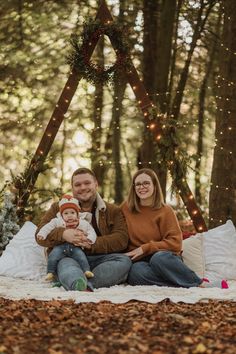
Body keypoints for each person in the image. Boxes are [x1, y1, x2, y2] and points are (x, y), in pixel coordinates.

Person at [121, 168, 228, 289]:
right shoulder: (126, 208)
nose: (142, 187)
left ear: (155, 186)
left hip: (165, 258)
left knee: (158, 259)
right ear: (134, 188)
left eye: (146, 183)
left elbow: (176, 243)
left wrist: (146, 248)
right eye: (138, 184)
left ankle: (200, 283)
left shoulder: (165, 211)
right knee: (135, 273)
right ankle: (182, 283)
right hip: (141, 261)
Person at [35, 167, 131, 291]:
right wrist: (63, 234)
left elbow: (121, 239)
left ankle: (81, 283)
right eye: (77, 184)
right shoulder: (57, 208)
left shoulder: (112, 210)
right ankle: (76, 280)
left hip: (99, 259)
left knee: (124, 261)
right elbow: (40, 235)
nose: (83, 187)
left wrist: (90, 244)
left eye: (87, 183)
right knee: (65, 265)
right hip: (68, 256)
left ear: (96, 184)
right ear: (72, 188)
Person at [37, 194, 97, 290]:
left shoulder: (82, 223)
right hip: (60, 246)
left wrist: (90, 239)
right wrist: (42, 234)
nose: (69, 216)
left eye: (72, 212)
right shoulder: (57, 221)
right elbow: (47, 227)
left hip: (75, 246)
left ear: (77, 214)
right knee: (53, 256)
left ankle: (86, 271)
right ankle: (50, 272)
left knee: (81, 256)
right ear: (61, 215)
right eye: (66, 213)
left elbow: (91, 231)